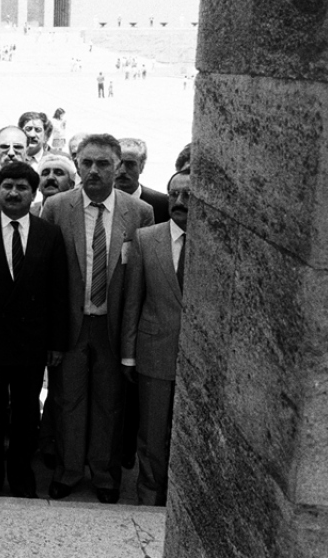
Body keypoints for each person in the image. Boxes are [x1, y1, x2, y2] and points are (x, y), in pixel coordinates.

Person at [40, 134, 154, 503]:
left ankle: (104, 474)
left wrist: (131, 340)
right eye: (86, 162)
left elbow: (139, 277)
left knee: (110, 403)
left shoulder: (139, 213)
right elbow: (49, 276)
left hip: (112, 326)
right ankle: (69, 470)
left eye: (103, 163)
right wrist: (52, 335)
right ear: (77, 164)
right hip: (71, 325)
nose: (93, 170)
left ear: (119, 166)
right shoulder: (57, 207)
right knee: (66, 400)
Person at [0, 161, 69, 498]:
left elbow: (58, 292)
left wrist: (56, 343)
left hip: (31, 344)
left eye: (22, 187)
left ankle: (21, 476)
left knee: (25, 414)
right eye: (8, 186)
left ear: (33, 194)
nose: (14, 193)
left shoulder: (49, 234)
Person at [122, 168, 190, 506]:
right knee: (151, 432)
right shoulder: (147, 238)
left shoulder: (217, 245)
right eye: (174, 194)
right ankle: (150, 493)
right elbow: (133, 300)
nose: (180, 202)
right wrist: (129, 354)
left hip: (198, 361)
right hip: (154, 351)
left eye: (189, 195)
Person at [118, 138, 171, 224]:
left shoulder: (162, 204)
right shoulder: (97, 201)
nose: (122, 170)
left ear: (141, 166)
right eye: (118, 163)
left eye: (130, 164)